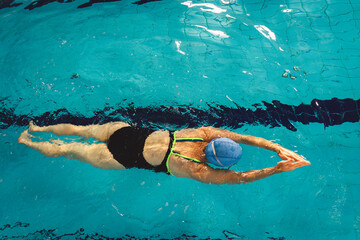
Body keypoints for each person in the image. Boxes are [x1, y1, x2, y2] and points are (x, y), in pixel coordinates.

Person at [18, 121, 310, 185]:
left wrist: (275, 146)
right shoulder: (199, 169)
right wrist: (275, 169)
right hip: (122, 159)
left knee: (81, 131)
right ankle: (29, 143)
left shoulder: (205, 133)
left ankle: (39, 127)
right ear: (216, 163)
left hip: (126, 132)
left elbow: (244, 137)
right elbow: (241, 178)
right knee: (70, 151)